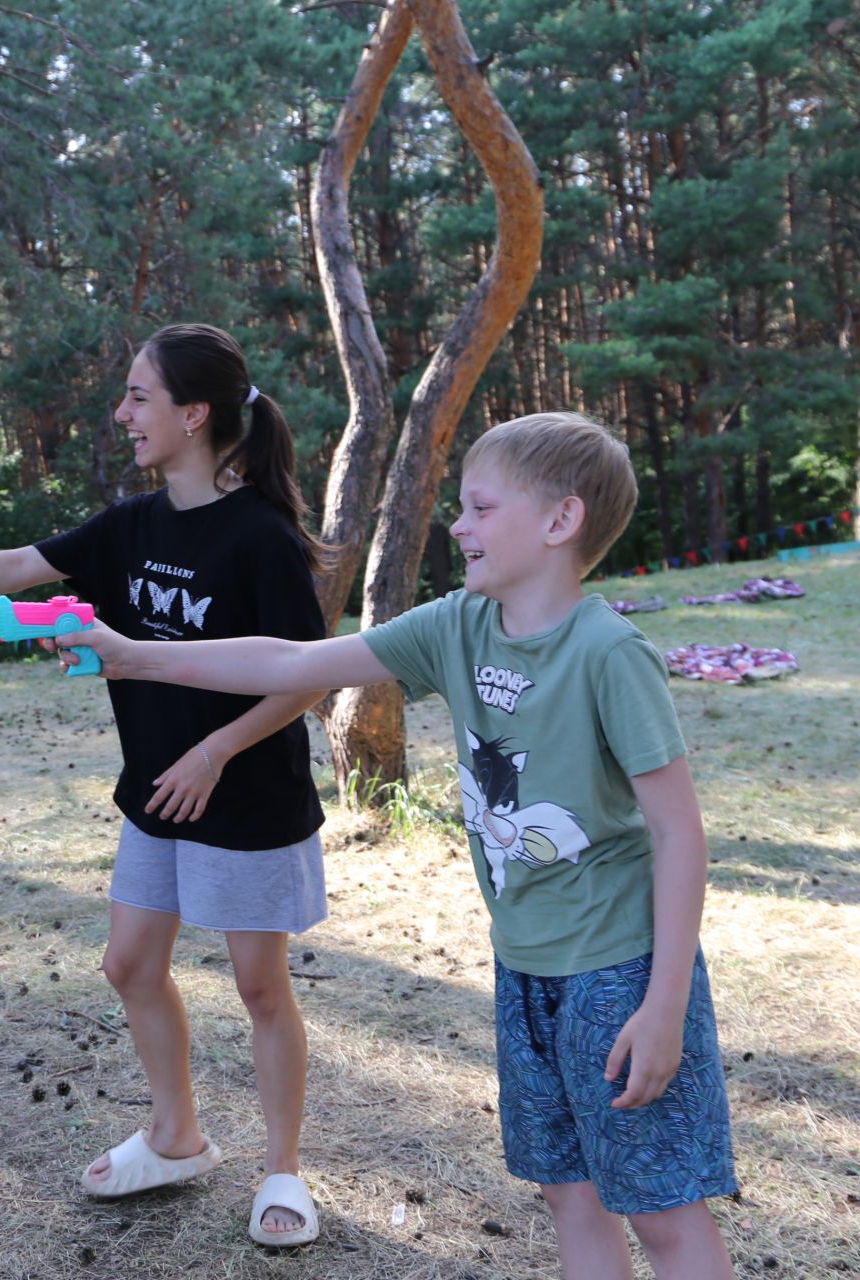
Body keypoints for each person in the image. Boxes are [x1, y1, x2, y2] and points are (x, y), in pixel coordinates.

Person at [58, 411, 740, 1280]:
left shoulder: (609, 653)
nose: (457, 525)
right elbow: (288, 662)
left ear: (560, 521)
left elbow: (679, 831)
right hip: (524, 966)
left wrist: (665, 1004)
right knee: (569, 1192)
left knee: (662, 1207)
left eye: (481, 508)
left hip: (619, 973)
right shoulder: (458, 626)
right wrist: (138, 657)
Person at [0, 324, 334, 1247]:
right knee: (130, 964)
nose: (122, 413)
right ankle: (177, 1137)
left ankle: (283, 1171)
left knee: (259, 988)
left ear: (193, 413)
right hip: (154, 797)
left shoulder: (262, 539)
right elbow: (18, 567)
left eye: (138, 396)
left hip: (245, 802)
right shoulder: (131, 525)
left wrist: (216, 751)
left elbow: (310, 675)